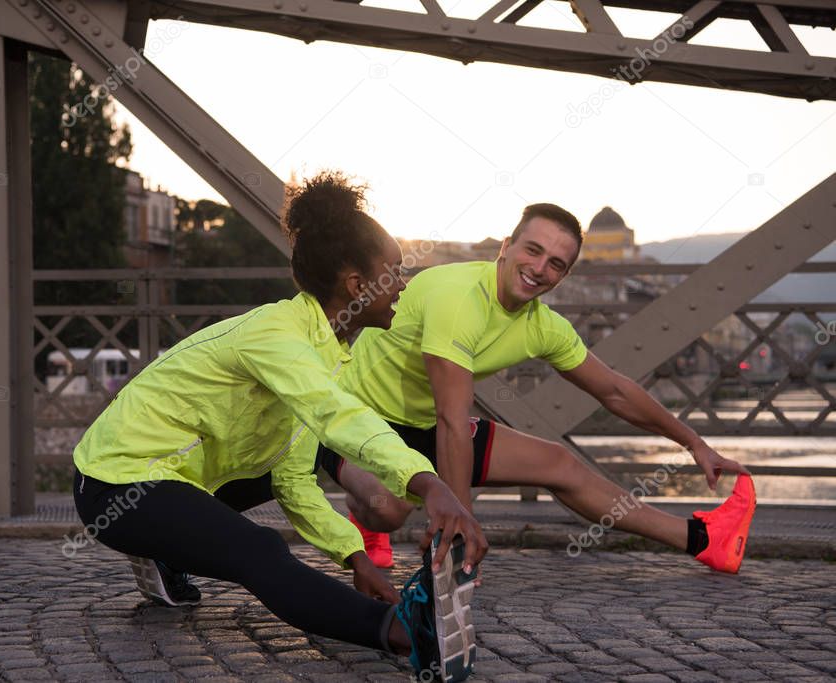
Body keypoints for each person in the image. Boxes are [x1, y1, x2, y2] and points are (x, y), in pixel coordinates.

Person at [72, 171, 486, 681]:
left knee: (278, 471)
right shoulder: (277, 335)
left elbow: (290, 478)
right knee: (259, 550)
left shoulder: (327, 352)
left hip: (179, 478)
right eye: (395, 272)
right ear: (358, 285)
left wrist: (355, 557)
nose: (403, 285)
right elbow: (338, 415)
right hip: (115, 483)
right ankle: (401, 631)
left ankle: (165, 552)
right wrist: (428, 482)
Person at [320, 202, 756, 574]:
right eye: (533, 250)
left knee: (561, 463)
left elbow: (615, 391)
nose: (539, 269)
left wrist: (694, 443)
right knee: (390, 507)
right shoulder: (457, 297)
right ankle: (366, 521)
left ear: (563, 276)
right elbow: (452, 421)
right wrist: (463, 538)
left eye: (556, 264)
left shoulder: (544, 327)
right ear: (506, 248)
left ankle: (703, 539)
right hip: (355, 419)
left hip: (424, 427)